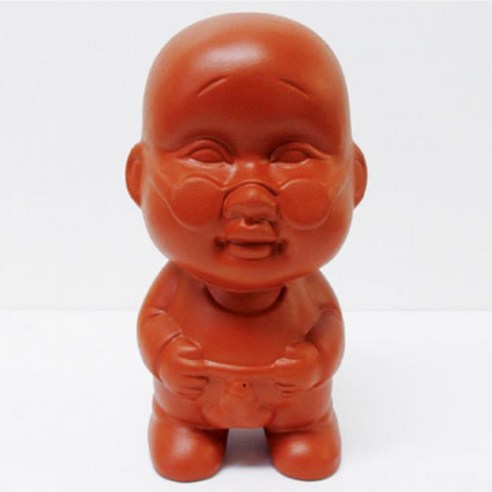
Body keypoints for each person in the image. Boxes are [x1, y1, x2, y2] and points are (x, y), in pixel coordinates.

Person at [126, 12, 367, 481]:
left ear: (354, 178)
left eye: (292, 156)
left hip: (295, 404)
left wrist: (315, 361)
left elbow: (327, 327)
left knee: (309, 453)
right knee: (183, 457)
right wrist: (167, 356)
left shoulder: (308, 290)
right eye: (207, 155)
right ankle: (184, 427)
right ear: (140, 178)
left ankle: (305, 429)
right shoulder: (175, 289)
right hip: (193, 402)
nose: (252, 198)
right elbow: (154, 322)